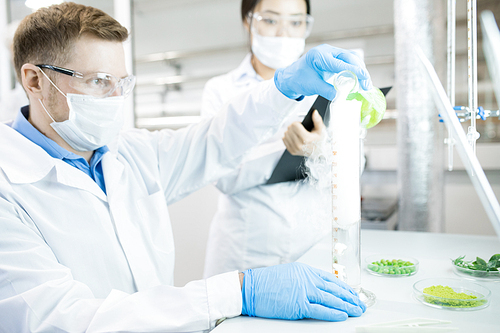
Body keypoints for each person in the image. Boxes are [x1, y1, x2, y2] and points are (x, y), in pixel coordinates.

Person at [0, 3, 372, 332]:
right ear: (34, 80)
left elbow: (216, 139)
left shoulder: (129, 153)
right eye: (98, 82)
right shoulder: (8, 189)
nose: (115, 99)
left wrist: (283, 88)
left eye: (122, 83)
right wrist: (237, 292)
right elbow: (62, 320)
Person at [202, 0, 367, 278]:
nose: (283, 34)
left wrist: (323, 150)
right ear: (248, 20)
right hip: (245, 256)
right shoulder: (221, 90)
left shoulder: (331, 86)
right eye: (270, 20)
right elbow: (222, 175)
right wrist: (284, 147)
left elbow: (356, 166)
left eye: (296, 22)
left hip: (314, 252)